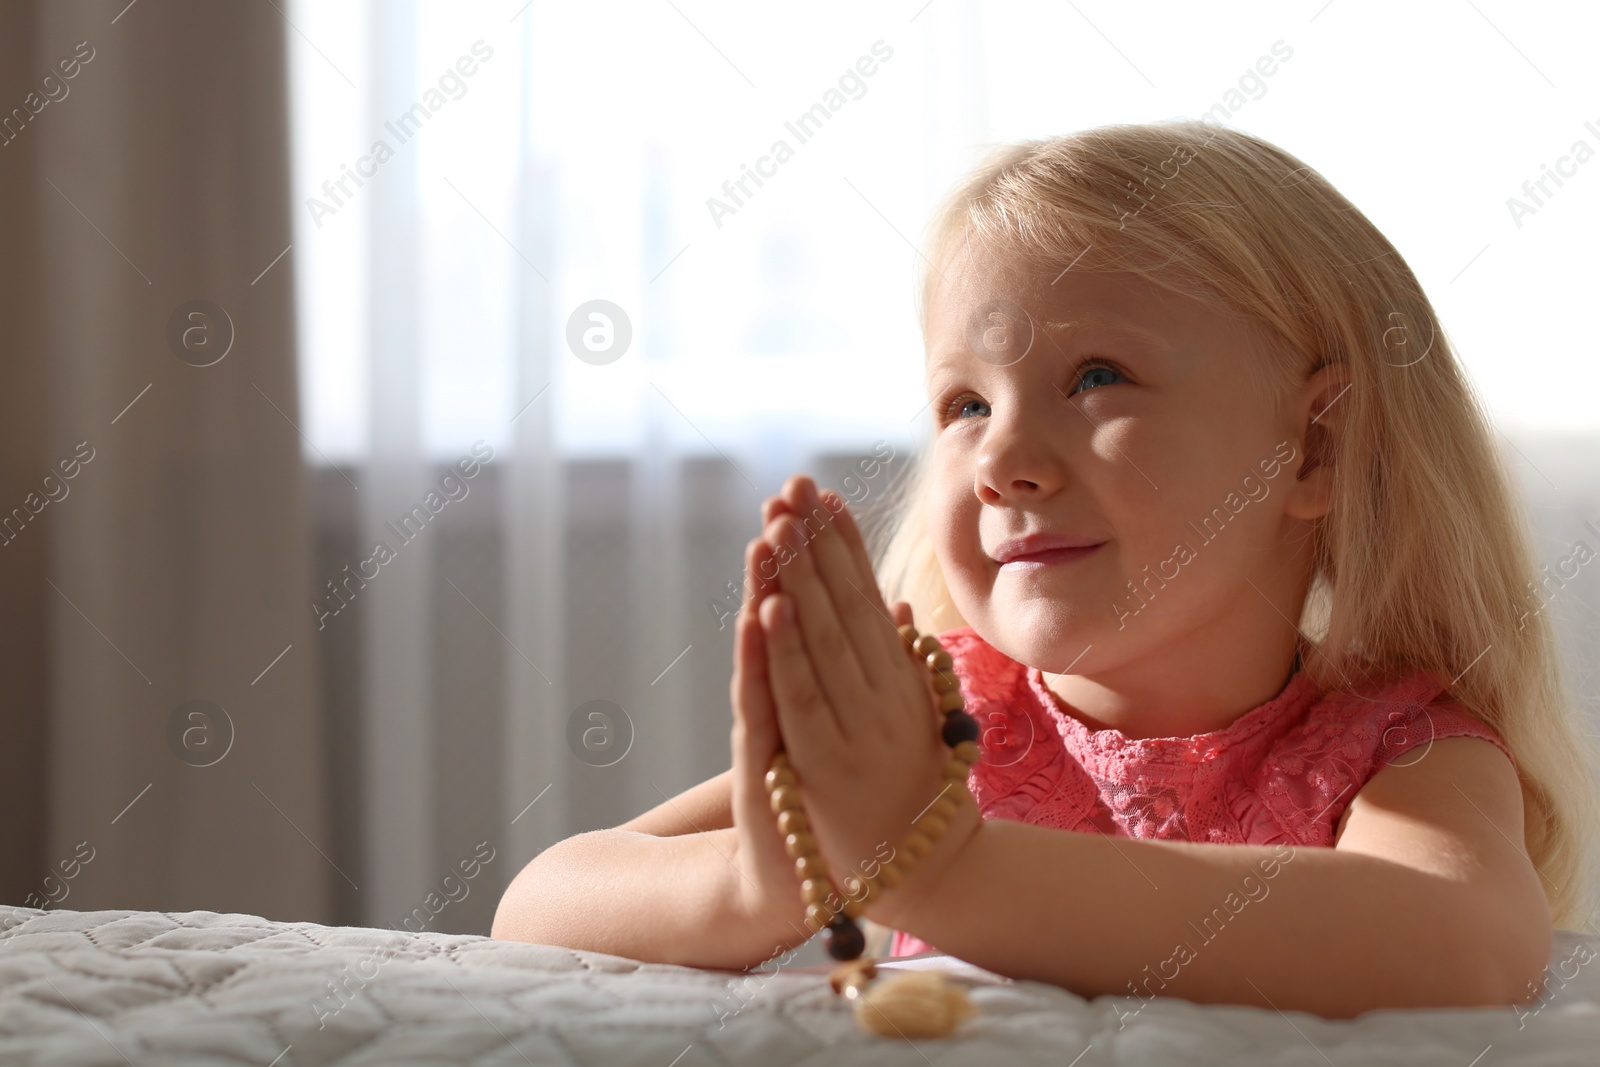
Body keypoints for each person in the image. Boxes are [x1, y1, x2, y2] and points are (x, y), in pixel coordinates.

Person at [493, 121, 1600, 1018]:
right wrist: (779, 871)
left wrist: (945, 873)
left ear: (1312, 445)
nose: (1003, 461)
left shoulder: (1396, 747)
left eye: (1097, 376)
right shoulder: (951, 720)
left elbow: (1461, 939)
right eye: (965, 404)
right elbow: (541, 903)